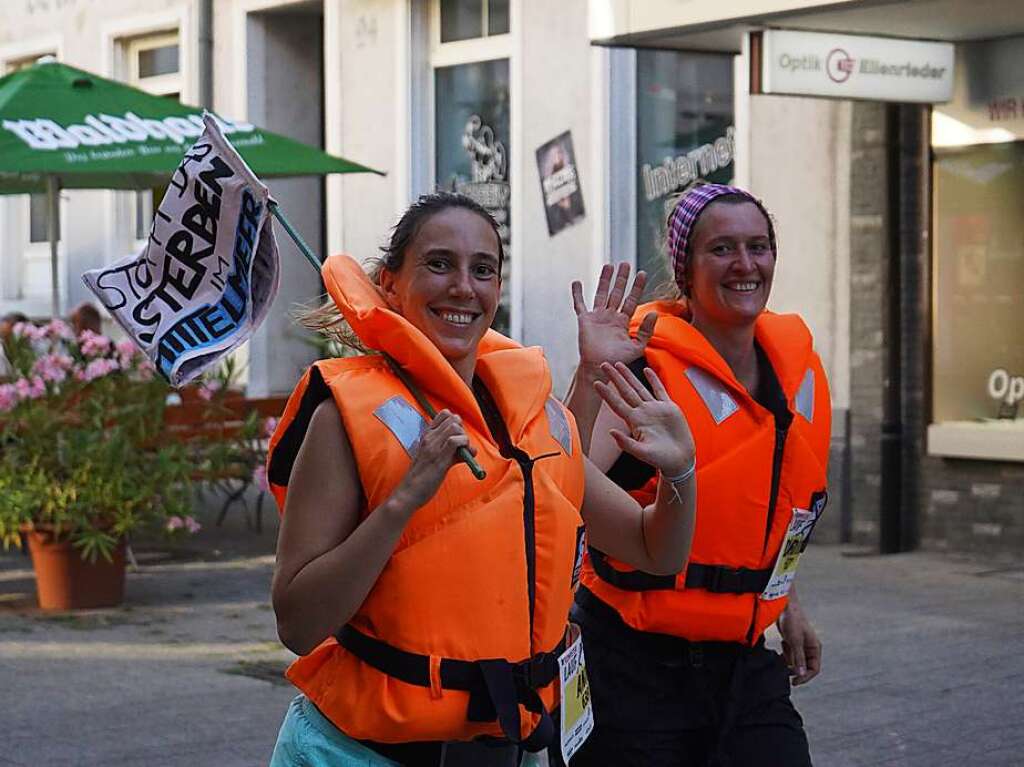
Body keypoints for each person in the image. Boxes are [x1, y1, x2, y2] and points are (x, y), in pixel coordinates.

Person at [264, 191, 698, 766]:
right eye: (439, 263)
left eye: (483, 269)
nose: (464, 286)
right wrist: (404, 500)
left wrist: (680, 472)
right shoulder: (345, 416)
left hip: (504, 750)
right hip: (361, 753)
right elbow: (298, 622)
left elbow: (653, 548)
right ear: (389, 284)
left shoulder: (533, 418)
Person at [565, 183, 832, 766]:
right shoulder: (641, 365)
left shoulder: (796, 371)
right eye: (723, 249)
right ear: (685, 266)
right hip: (631, 663)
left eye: (758, 246)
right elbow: (560, 474)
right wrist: (589, 374)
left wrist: (786, 604)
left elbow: (764, 508)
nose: (745, 264)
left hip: (743, 663)